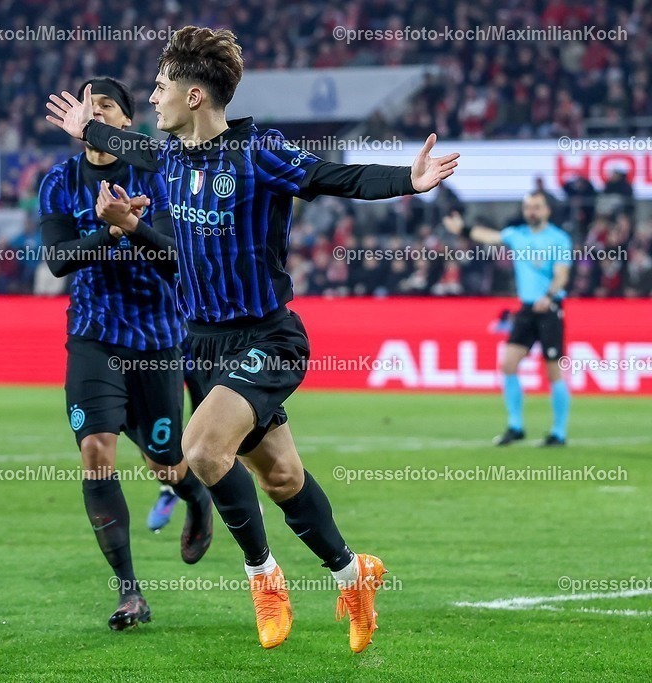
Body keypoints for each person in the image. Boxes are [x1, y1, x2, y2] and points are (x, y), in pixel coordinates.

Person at [45, 26, 458, 651]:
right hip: (203, 345)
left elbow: (330, 177)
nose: (151, 98)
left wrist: (408, 177)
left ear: (191, 96)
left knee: (203, 450)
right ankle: (353, 574)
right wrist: (100, 162)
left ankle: (264, 578)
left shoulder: (257, 153)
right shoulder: (169, 160)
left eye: (158, 87)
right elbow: (128, 161)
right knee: (284, 478)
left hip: (268, 336)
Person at [39, 76, 214, 630]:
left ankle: (193, 496)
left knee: (164, 461)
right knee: (96, 449)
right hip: (92, 335)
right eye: (86, 105)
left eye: (105, 105)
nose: (93, 113)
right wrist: (109, 235)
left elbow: (174, 258)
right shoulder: (59, 182)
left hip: (157, 337)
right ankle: (130, 592)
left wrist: (132, 226)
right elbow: (58, 260)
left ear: (128, 120)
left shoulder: (157, 173)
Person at [444, 192, 572, 446]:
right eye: (528, 207)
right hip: (526, 308)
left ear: (546, 210)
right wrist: (464, 229)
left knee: (553, 371)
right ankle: (516, 425)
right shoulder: (517, 234)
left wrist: (548, 295)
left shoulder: (558, 238)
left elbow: (562, 275)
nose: (532, 211)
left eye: (536, 207)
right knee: (508, 364)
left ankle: (558, 431)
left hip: (550, 308)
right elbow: (490, 236)